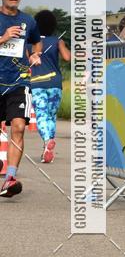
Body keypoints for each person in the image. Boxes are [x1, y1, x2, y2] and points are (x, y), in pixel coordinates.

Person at [0, 0, 42, 197]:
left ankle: (10, 178)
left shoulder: (29, 21)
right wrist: (4, 37)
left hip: (19, 82)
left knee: (18, 127)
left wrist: (35, 54)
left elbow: (37, 42)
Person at [29, 10, 71, 162]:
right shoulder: (57, 41)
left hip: (37, 83)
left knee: (41, 115)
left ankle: (47, 142)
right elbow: (67, 57)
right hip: (55, 83)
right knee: (51, 117)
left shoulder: (30, 43)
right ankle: (48, 150)